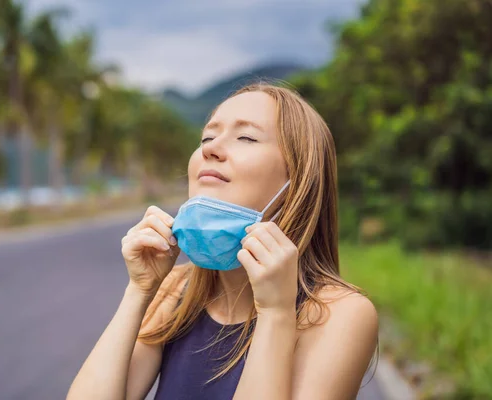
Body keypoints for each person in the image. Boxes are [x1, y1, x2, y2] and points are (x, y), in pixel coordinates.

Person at [66, 84, 379, 400]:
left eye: (246, 137)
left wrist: (275, 314)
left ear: (299, 183)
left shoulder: (341, 314)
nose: (209, 149)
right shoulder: (175, 289)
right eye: (207, 137)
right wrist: (139, 291)